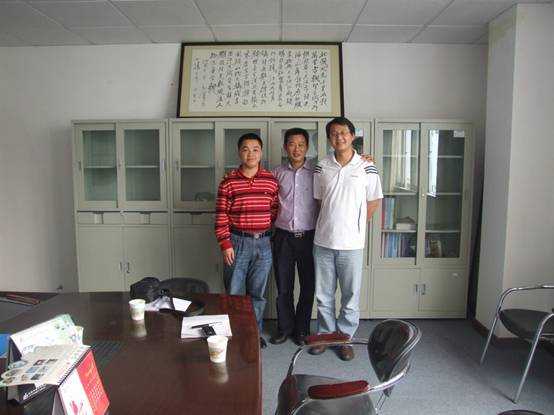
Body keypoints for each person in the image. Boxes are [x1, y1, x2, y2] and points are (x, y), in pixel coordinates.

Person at [309, 117, 383, 361]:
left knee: (351, 296)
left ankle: (344, 338)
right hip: (323, 242)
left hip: (352, 245)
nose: (339, 137)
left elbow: (374, 201)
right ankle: (325, 335)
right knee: (324, 295)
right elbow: (319, 201)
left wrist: (355, 225)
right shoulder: (321, 166)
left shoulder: (367, 166)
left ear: (352, 136)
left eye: (343, 132)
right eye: (333, 133)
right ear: (329, 139)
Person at [214, 133, 279, 349]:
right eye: (245, 149)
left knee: (257, 294)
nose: (250, 154)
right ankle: (234, 333)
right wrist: (225, 244)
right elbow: (221, 215)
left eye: (255, 149)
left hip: (264, 244)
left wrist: (264, 232)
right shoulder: (228, 181)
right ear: (239, 152)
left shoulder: (270, 180)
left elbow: (274, 211)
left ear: (261, 152)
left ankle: (253, 333)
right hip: (237, 243)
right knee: (234, 292)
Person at [270, 128, 317, 346]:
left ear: (307, 147)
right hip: (283, 237)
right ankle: (284, 328)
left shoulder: (317, 172)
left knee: (308, 285)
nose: (296, 149)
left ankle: (302, 329)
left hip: (309, 237)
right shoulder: (276, 173)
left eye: (301, 144)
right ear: (285, 147)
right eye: (291, 144)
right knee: (284, 286)